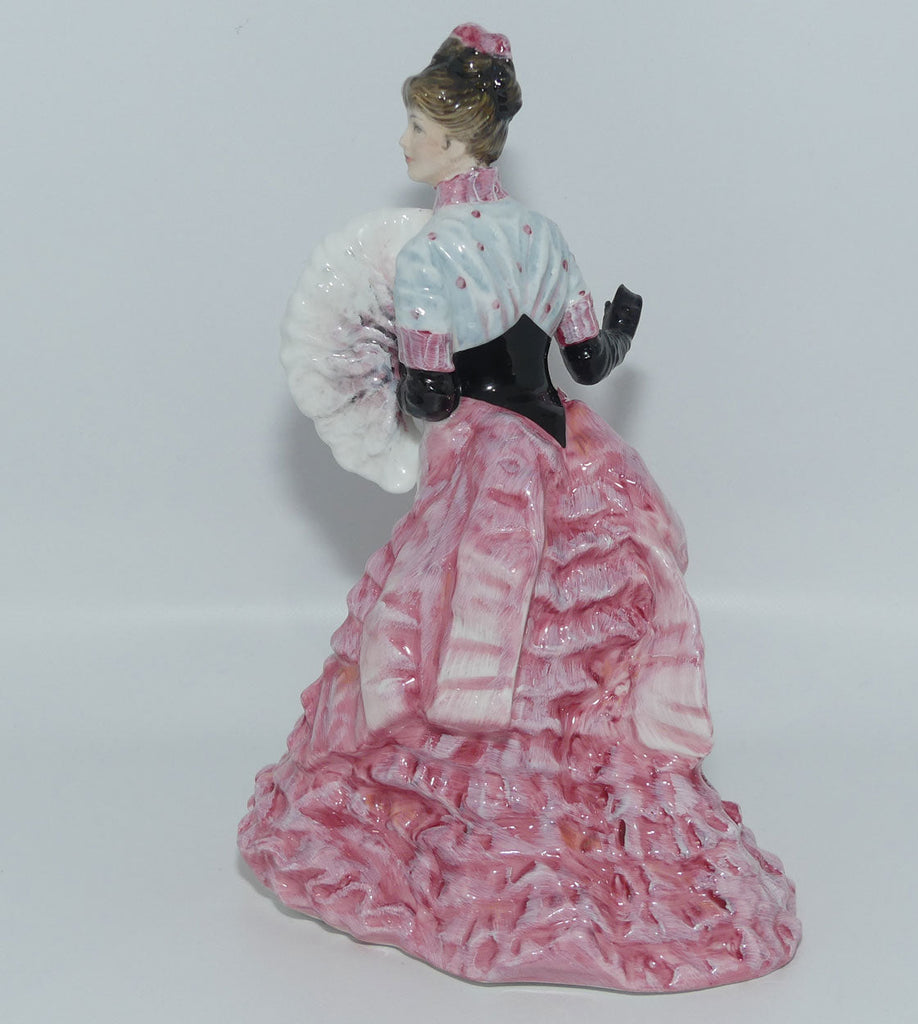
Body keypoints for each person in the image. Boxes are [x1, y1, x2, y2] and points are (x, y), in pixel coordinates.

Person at [239, 24, 799, 992]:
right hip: (562, 447)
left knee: (455, 630)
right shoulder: (541, 235)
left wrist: (381, 373)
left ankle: (483, 849)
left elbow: (430, 400)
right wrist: (618, 326)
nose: (405, 144)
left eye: (418, 129)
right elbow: (588, 359)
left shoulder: (427, 259)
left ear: (459, 142)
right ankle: (586, 833)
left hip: (488, 463)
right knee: (577, 647)